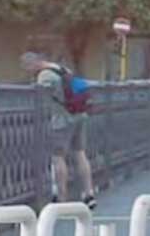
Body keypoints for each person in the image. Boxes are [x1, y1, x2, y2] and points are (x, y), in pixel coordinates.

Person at [24, 52, 97, 208]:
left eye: (27, 67)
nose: (28, 70)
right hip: (80, 114)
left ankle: (62, 198)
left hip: (62, 120)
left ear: (33, 64)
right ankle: (88, 193)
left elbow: (40, 99)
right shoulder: (62, 69)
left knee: (58, 157)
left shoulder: (44, 76)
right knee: (80, 153)